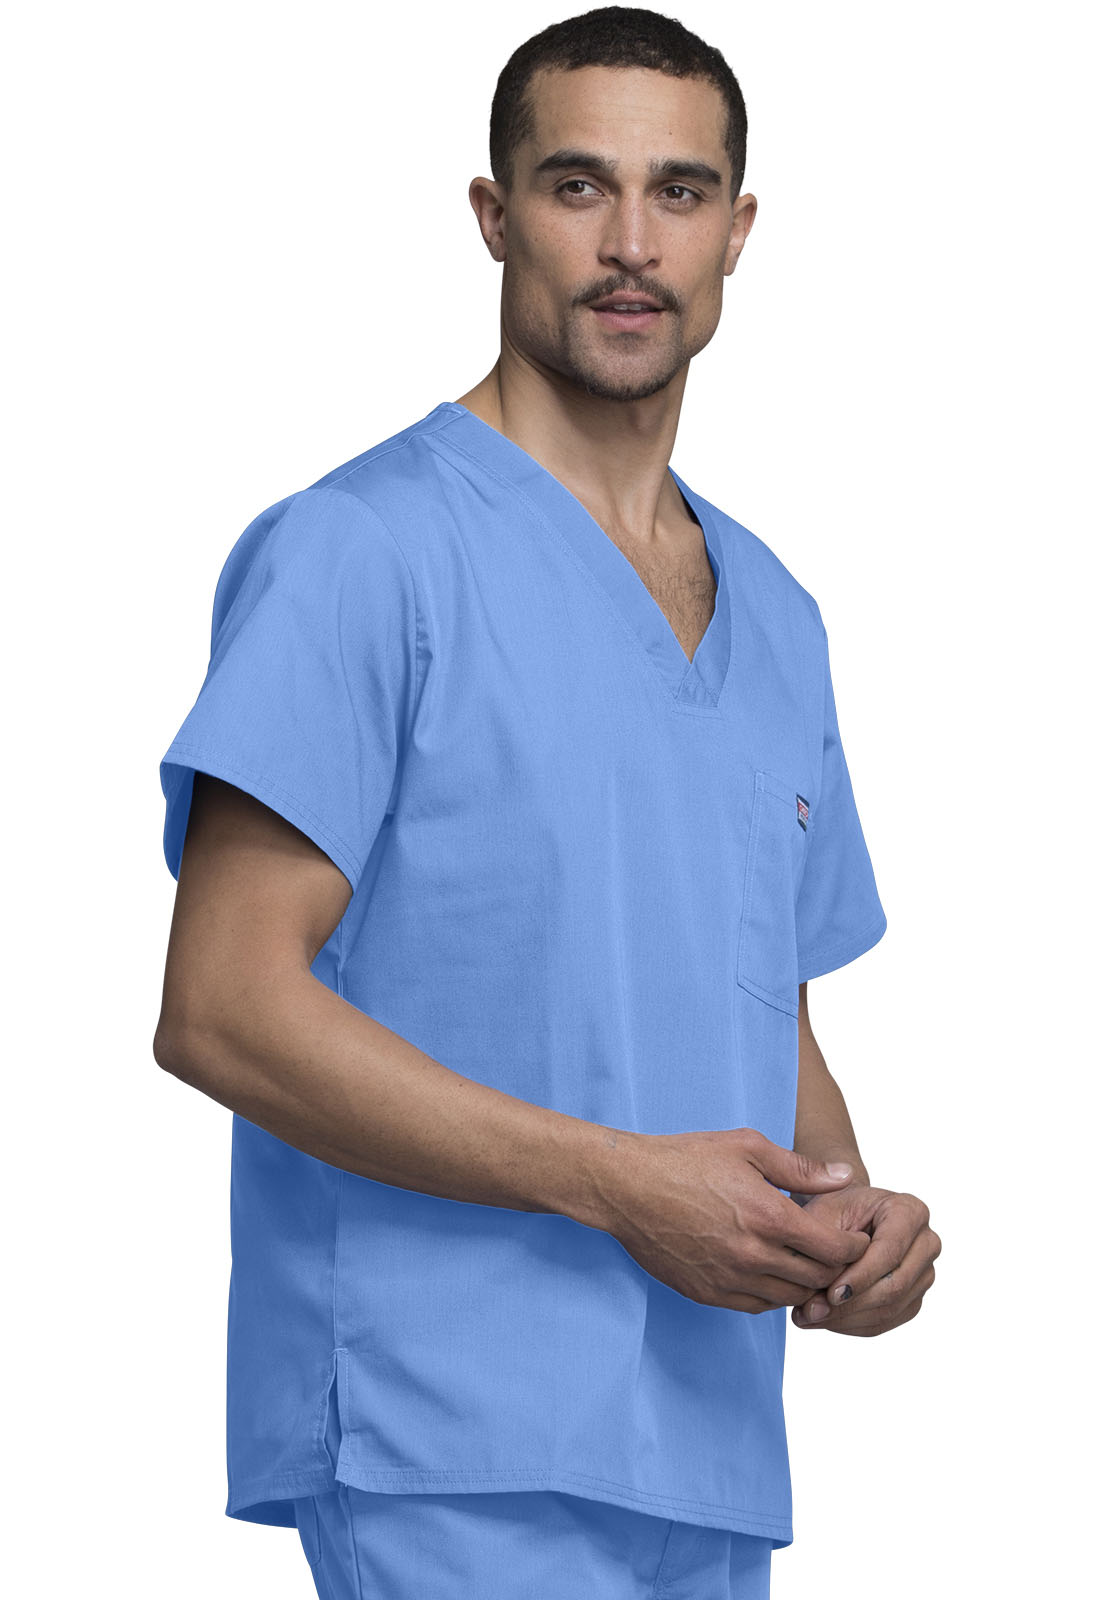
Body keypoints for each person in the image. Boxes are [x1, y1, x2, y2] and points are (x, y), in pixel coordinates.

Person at [154, 7, 941, 1597]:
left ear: (738, 230)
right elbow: (221, 1009)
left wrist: (849, 1217)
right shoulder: (366, 552)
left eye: (679, 192)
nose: (632, 243)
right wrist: (622, 1187)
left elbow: (755, 1004)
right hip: (450, 1429)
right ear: (496, 215)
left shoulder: (778, 616)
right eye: (580, 187)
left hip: (709, 1443)